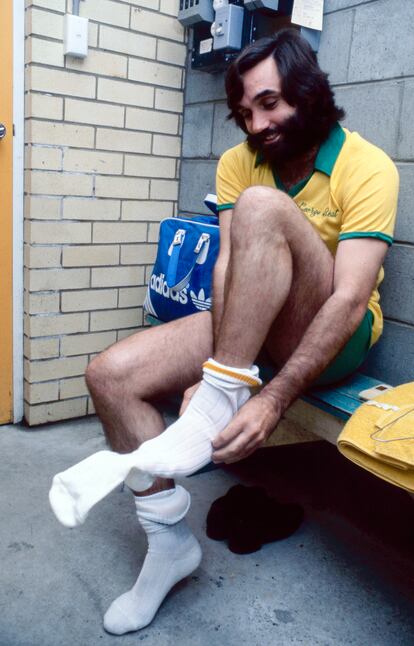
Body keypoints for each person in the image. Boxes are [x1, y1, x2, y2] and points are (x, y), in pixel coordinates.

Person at [49, 29, 399, 634]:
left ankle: (223, 390)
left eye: (270, 103)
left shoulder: (366, 165)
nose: (256, 124)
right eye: (243, 113)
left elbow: (346, 300)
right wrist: (222, 359)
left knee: (263, 208)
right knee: (109, 376)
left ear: (308, 91)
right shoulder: (240, 162)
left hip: (334, 335)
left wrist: (268, 395)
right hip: (252, 327)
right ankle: (168, 544)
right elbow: (228, 267)